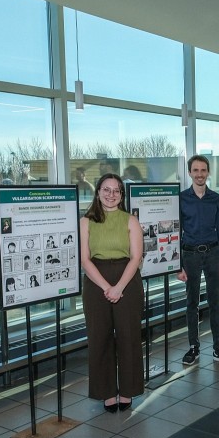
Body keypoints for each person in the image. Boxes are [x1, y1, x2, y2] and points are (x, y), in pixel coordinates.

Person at [79, 173, 145, 411]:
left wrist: (119, 287)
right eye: (106, 189)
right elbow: (85, 260)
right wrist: (107, 287)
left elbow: (136, 257)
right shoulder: (86, 221)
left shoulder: (130, 220)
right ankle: (106, 392)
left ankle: (128, 390)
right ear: (98, 192)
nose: (111, 194)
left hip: (127, 280)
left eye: (116, 190)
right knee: (99, 338)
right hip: (96, 282)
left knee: (129, 337)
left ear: (121, 195)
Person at [177, 155, 219, 366]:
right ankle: (194, 347)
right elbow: (175, 233)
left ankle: (218, 348)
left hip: (213, 254)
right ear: (189, 173)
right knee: (191, 303)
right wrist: (178, 265)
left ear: (208, 172)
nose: (200, 174)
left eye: (203, 170)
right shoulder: (181, 199)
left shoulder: (216, 199)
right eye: (196, 170)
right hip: (190, 255)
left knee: (215, 303)